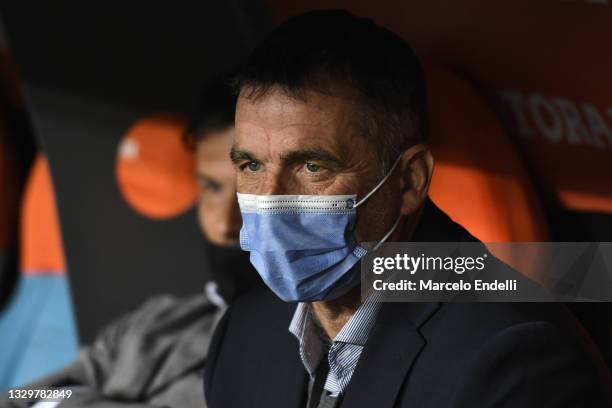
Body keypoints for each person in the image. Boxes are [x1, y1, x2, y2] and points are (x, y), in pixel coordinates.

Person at [204, 10, 612, 408]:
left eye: (313, 166)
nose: (271, 201)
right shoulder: (243, 332)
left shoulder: (513, 359)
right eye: (252, 165)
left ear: (409, 181)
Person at [0, 72, 258, 408]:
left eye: (246, 193)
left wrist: (67, 402)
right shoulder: (155, 320)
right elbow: (23, 394)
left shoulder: (290, 346)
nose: (225, 223)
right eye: (211, 187)